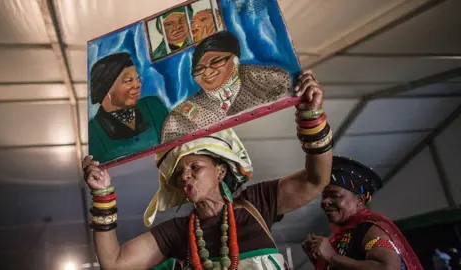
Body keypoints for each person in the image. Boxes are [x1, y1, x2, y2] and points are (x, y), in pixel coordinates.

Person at [82, 70, 334, 269]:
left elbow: (315, 180)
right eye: (179, 173)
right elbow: (114, 263)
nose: (185, 176)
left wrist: (312, 117)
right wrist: (102, 194)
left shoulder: (257, 204)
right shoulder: (178, 232)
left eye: (195, 166)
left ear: (221, 170)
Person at [160, 31, 292, 142]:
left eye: (216, 62)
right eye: (199, 69)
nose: (207, 72)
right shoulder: (180, 118)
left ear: (235, 59)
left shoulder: (272, 80)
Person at [302, 156, 423, 270]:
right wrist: (319, 260)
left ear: (359, 200)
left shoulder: (370, 228)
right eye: (324, 196)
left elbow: (389, 268)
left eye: (335, 195)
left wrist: (332, 257)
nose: (325, 202)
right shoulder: (346, 233)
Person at [89, 52, 169, 163]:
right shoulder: (93, 132)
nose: (138, 84)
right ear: (105, 89)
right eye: (128, 81)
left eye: (137, 79)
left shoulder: (153, 106)